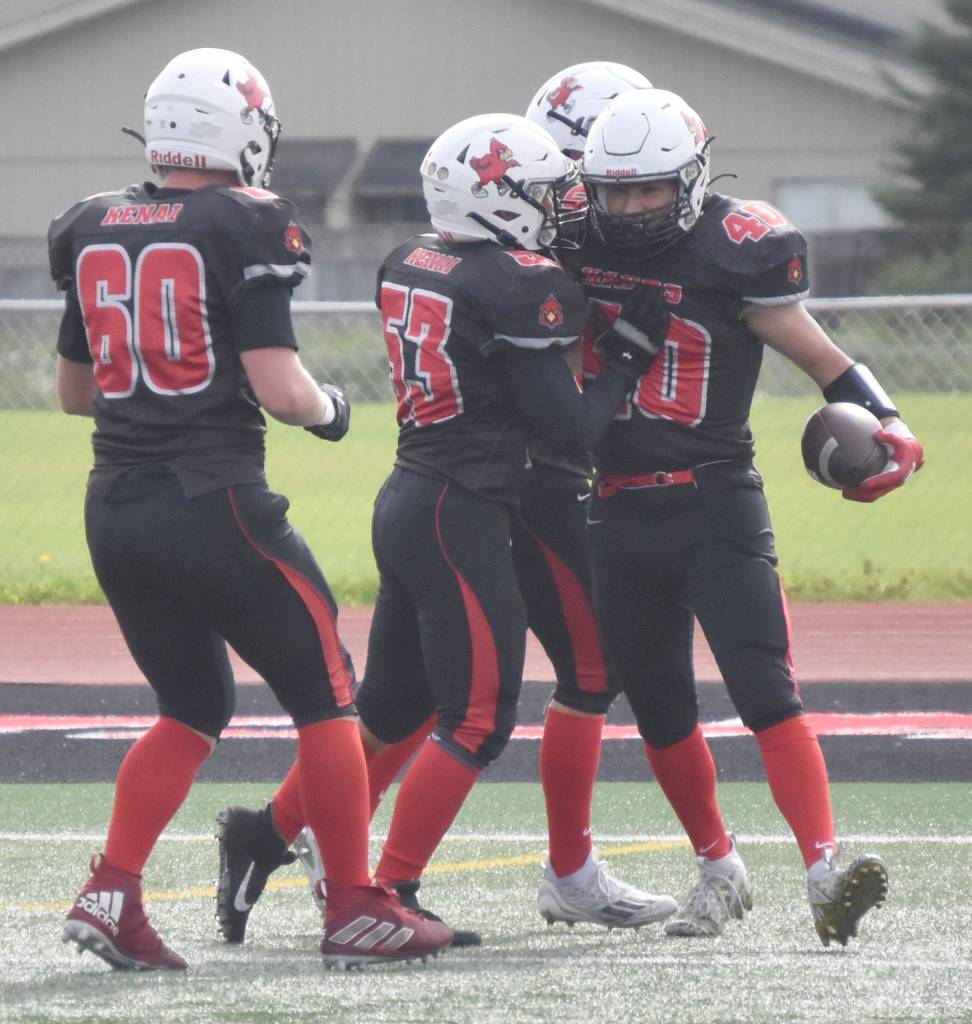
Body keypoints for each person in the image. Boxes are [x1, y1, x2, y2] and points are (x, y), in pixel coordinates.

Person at [214, 112, 676, 945]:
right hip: (460, 511)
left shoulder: (410, 259)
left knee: (395, 707)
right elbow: (572, 428)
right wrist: (629, 356)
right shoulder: (520, 284)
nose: (559, 207)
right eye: (543, 193)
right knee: (477, 719)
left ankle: (264, 836)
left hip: (411, 497)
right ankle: (388, 889)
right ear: (498, 198)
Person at [50, 46, 452, 971]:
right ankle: (354, 904)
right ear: (237, 131)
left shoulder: (90, 222)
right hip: (213, 500)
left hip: (114, 506)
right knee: (328, 697)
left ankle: (112, 891)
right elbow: (280, 388)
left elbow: (76, 394)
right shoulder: (247, 218)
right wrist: (332, 409)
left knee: (192, 707)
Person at [565, 87, 924, 946]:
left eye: (650, 189)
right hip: (616, 505)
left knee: (767, 690)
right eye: (616, 191)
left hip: (715, 499)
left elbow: (825, 360)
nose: (631, 207)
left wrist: (890, 421)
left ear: (689, 179)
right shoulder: (569, 238)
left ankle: (823, 872)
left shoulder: (735, 250)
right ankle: (717, 868)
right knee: (660, 709)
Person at [521, 61, 673, 929]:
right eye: (602, 179)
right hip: (515, 478)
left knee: (420, 689)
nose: (614, 201)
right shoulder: (531, 261)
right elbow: (570, 415)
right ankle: (569, 872)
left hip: (461, 478)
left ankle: (288, 832)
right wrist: (620, 360)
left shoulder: (507, 240)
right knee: (566, 674)